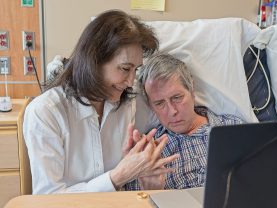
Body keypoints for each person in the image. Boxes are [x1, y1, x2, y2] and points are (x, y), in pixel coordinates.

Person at [23, 10, 179, 194]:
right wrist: (118, 176)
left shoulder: (128, 103)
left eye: (135, 70)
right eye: (124, 69)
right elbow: (47, 200)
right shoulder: (45, 112)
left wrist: (151, 184)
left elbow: (173, 116)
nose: (130, 81)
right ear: (93, 61)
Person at [125, 53, 243, 190]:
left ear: (192, 89)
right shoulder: (147, 151)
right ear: (150, 106)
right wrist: (152, 191)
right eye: (159, 103)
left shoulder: (235, 129)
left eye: (177, 97)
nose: (172, 111)